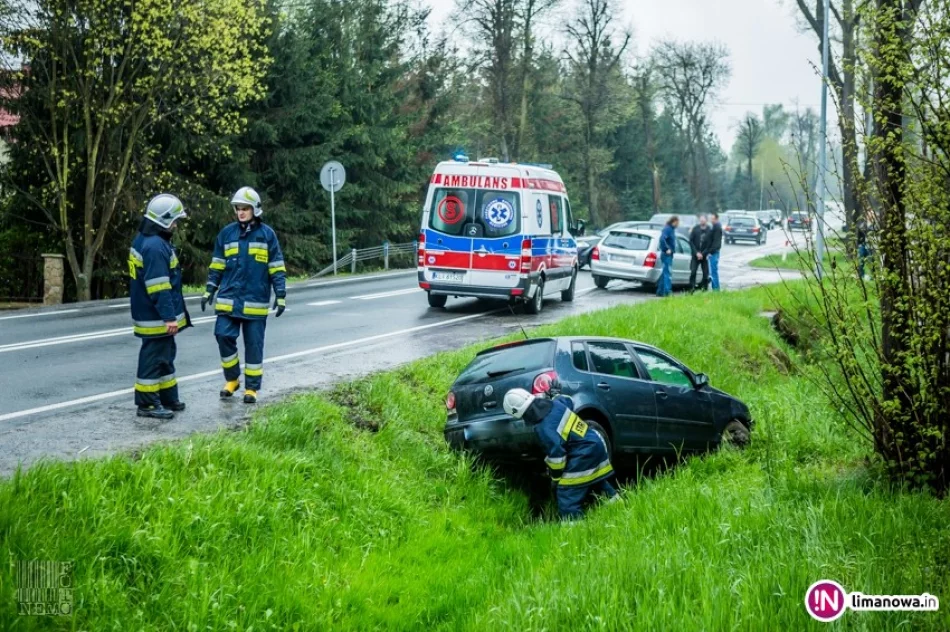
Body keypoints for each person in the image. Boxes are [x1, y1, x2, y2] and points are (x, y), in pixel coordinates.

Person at [202, 187, 287, 404]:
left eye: (245, 208)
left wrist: (281, 293)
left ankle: (251, 388)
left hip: (255, 303)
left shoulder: (267, 235)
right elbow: (217, 265)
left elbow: (276, 267)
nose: (240, 212)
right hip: (228, 300)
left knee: (254, 346)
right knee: (222, 335)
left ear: (255, 210)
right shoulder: (226, 234)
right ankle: (232, 379)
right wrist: (210, 288)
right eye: (238, 208)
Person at [503, 387, 618, 520]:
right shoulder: (555, 404)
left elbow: (557, 456)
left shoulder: (544, 428)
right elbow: (569, 401)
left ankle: (573, 529)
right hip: (596, 441)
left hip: (584, 453)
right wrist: (555, 394)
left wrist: (556, 479)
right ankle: (618, 507)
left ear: (518, 412)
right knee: (594, 480)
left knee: (566, 491)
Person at [129, 194, 191, 419]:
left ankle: (167, 398)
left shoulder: (147, 240)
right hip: (156, 317)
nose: (176, 225)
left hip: (151, 315)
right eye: (174, 221)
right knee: (153, 359)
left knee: (165, 356)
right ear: (164, 220)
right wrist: (169, 317)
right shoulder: (155, 246)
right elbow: (159, 288)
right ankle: (148, 404)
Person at [688, 215, 712, 291]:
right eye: (701, 220)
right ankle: (692, 288)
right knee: (693, 271)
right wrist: (696, 253)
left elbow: (710, 244)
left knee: (705, 274)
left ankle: (704, 288)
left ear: (706, 221)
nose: (702, 221)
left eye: (703, 220)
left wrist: (703, 254)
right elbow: (691, 241)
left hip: (704, 255)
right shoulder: (695, 229)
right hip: (695, 255)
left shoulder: (709, 230)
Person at [657, 215, 679, 297]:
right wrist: (666, 249)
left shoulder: (671, 229)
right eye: (677, 222)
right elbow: (662, 239)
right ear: (674, 221)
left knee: (664, 273)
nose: (678, 224)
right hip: (666, 254)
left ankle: (660, 291)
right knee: (668, 273)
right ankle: (667, 292)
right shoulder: (668, 229)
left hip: (669, 254)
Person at [708, 213, 723, 291]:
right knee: (713, 271)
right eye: (711, 218)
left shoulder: (717, 228)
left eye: (713, 219)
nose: (711, 220)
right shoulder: (715, 227)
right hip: (714, 251)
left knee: (713, 271)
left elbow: (716, 242)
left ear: (716, 219)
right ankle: (715, 288)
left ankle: (716, 289)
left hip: (714, 252)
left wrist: (710, 251)